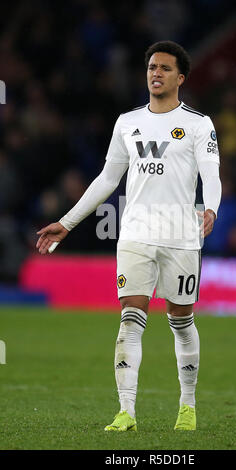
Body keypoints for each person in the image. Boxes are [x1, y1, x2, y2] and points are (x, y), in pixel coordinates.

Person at [36, 41, 222, 431]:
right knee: (130, 320)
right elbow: (107, 178)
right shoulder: (127, 122)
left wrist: (211, 207)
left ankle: (187, 405)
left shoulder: (198, 124)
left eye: (165, 68)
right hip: (135, 233)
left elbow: (211, 174)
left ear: (180, 77)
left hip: (181, 236)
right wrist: (67, 222)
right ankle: (126, 412)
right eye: (152, 67)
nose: (156, 73)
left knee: (181, 321)